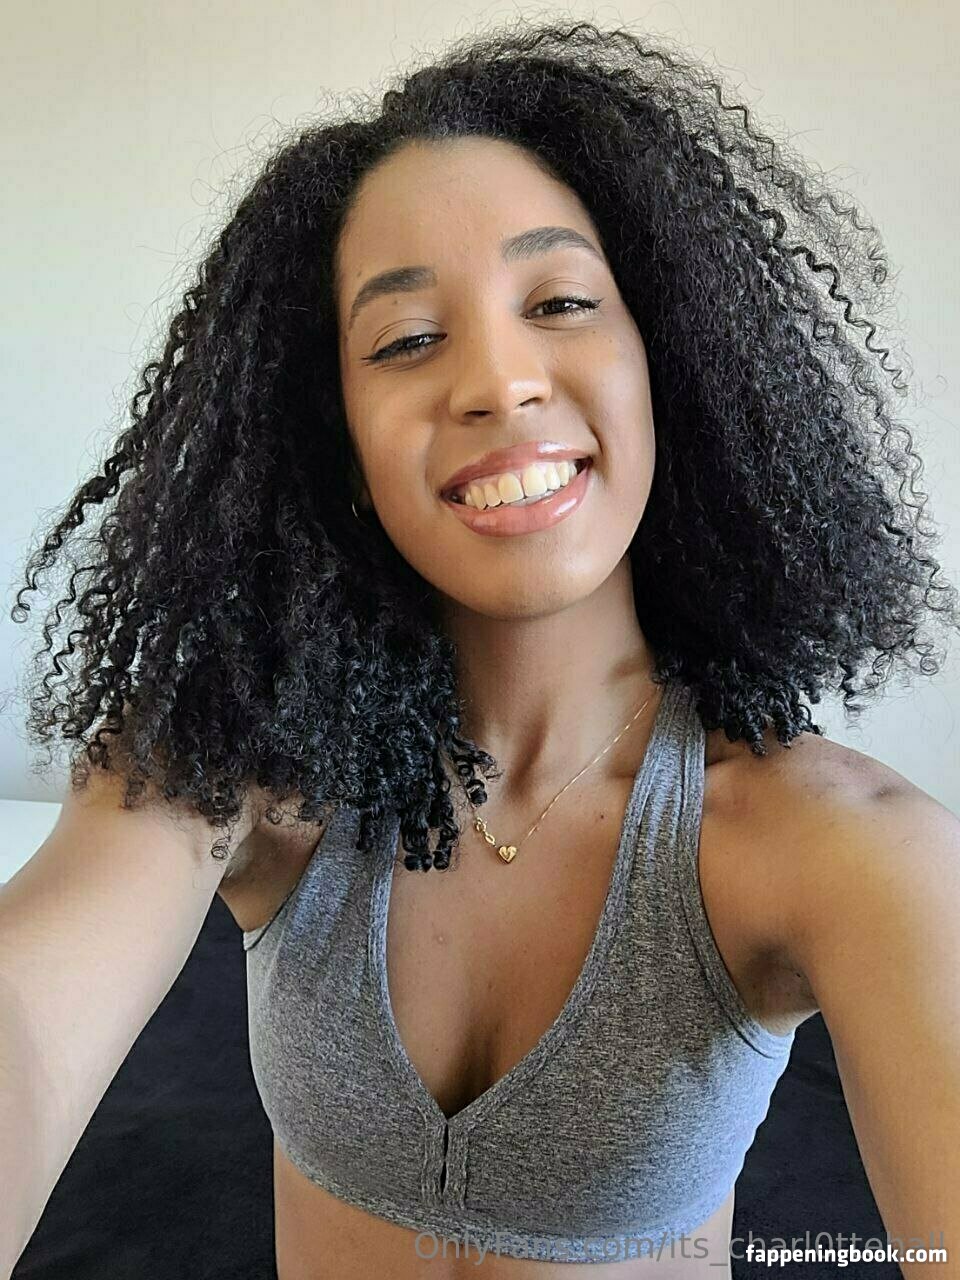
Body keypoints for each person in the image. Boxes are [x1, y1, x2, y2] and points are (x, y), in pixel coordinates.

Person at [2, 19, 958, 1280]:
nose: (500, 383)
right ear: (337, 439)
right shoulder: (239, 769)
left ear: (668, 361)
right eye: (407, 339)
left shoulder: (845, 848)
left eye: (559, 302)